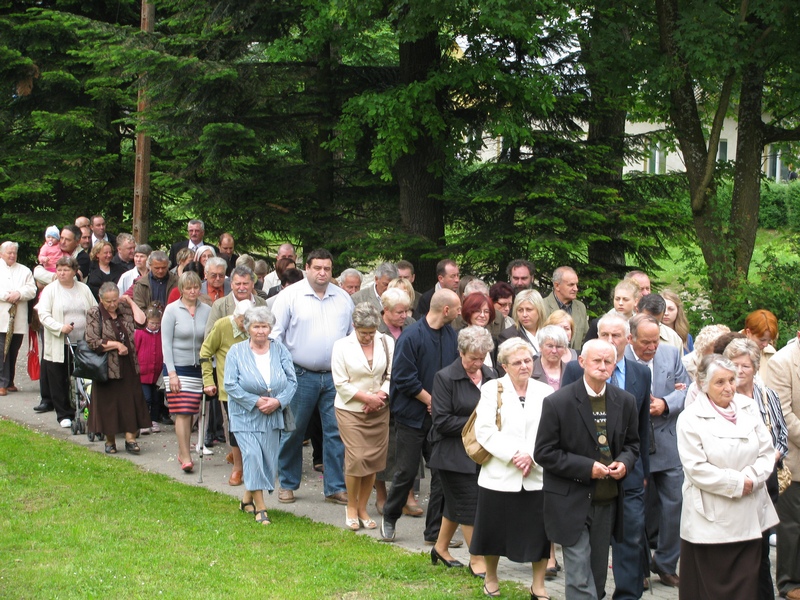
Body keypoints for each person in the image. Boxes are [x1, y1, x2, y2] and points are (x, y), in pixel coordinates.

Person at [535, 339, 640, 600]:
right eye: (596, 360)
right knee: (580, 575)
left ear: (615, 365)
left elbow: (633, 445)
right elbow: (544, 452)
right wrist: (586, 468)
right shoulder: (558, 402)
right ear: (582, 362)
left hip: (607, 500)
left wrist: (624, 463)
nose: (602, 366)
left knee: (598, 576)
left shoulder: (625, 401)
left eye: (608, 362)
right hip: (570, 500)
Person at [563, 313, 652, 599]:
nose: (610, 341)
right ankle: (593, 592)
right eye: (604, 335)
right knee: (593, 545)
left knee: (630, 538)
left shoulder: (641, 373)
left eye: (616, 336)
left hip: (629, 470)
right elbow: (568, 424)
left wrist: (642, 471)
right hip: (589, 476)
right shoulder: (577, 371)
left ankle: (627, 594)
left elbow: (641, 430)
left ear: (628, 339)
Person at [677, 354, 778, 599]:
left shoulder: (748, 407)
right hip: (711, 520)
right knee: (710, 588)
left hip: (749, 515)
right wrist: (736, 483)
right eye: (720, 382)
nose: (729, 387)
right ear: (703, 384)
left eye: (732, 380)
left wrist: (752, 479)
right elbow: (696, 468)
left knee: (747, 587)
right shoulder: (690, 418)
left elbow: (767, 451)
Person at [471, 337, 553, 598]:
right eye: (517, 362)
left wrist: (530, 455)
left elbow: (550, 431)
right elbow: (484, 431)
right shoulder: (491, 389)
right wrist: (514, 454)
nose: (524, 366)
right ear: (504, 366)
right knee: (493, 531)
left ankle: (538, 584)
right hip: (499, 474)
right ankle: (492, 577)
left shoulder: (545, 391)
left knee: (540, 534)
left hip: (535, 474)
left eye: (528, 360)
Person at [271, 248, 354, 505]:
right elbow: (275, 336)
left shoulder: (342, 298)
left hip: (334, 377)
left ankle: (335, 487)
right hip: (299, 374)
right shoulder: (290, 296)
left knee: (335, 432)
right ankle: (287, 483)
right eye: (317, 268)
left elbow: (352, 337)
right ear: (307, 267)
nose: (322, 273)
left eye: (327, 269)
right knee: (293, 431)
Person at [380, 288, 461, 543]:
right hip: (412, 417)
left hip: (439, 419)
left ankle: (434, 531)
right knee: (405, 472)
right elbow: (403, 378)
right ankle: (389, 517)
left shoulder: (451, 336)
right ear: (446, 310)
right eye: (457, 308)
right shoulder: (411, 336)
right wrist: (430, 400)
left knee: (441, 473)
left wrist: (441, 404)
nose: (460, 313)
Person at [625, 313, 690, 588]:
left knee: (675, 505)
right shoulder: (621, 358)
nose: (651, 348)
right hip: (635, 445)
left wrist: (665, 402)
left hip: (667, 441)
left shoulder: (671, 353)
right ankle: (638, 569)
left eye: (655, 341)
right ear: (631, 339)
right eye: (645, 343)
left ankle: (665, 563)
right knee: (635, 510)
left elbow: (687, 390)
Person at [724, 338, 788, 600]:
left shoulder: (767, 394)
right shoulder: (721, 398)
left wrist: (771, 458)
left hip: (766, 478)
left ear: (755, 368)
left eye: (745, 366)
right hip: (736, 479)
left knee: (761, 546)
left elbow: (781, 433)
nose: (739, 371)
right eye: (734, 365)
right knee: (736, 548)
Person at [429, 326, 495, 577]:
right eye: (472, 358)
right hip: (452, 455)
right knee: (469, 504)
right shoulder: (445, 378)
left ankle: (440, 547)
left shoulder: (491, 375)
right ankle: (476, 559)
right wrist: (479, 423)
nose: (477, 363)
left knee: (455, 504)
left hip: (482, 453)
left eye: (482, 358)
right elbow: (442, 421)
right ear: (460, 352)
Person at [224, 306, 297, 526]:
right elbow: (230, 384)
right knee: (253, 456)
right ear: (248, 328)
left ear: (270, 328)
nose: (260, 331)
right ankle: (261, 507)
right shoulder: (236, 352)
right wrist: (255, 401)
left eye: (264, 326)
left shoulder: (280, 350)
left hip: (272, 415)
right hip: (245, 416)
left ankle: (247, 498)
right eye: (256, 326)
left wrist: (278, 401)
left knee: (267, 462)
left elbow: (292, 381)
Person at [331, 302, 394, 531]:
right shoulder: (341, 346)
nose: (368, 337)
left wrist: (379, 396)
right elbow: (340, 382)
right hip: (351, 409)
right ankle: (351, 506)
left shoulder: (386, 341)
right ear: (354, 326)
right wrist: (366, 399)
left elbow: (390, 374)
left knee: (373, 461)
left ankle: (363, 508)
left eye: (371, 333)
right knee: (357, 458)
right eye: (363, 333)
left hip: (379, 408)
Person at [85, 282, 150, 454]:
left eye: (115, 300)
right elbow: (92, 341)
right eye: (109, 301)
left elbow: (142, 322)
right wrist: (115, 345)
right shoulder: (94, 313)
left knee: (130, 401)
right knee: (109, 405)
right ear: (101, 299)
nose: (113, 304)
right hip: (107, 367)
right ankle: (110, 440)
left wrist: (129, 301)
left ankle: (131, 439)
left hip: (128, 364)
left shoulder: (124, 308)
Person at [35, 256, 97, 423]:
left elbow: (94, 309)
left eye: (66, 270)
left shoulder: (83, 288)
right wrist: (59, 327)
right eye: (59, 270)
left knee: (84, 377)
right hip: (60, 340)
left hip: (83, 341)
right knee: (59, 377)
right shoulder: (50, 290)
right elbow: (44, 314)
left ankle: (87, 408)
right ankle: (64, 414)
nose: (62, 273)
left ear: (74, 271)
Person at [161, 271, 212, 473]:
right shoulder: (171, 310)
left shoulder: (207, 310)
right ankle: (185, 455)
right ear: (181, 289)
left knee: (193, 410)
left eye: (196, 287)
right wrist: (171, 373)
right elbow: (166, 343)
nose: (192, 291)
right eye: (188, 287)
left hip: (198, 367)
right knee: (182, 411)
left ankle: (184, 450)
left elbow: (209, 339)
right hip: (177, 367)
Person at [201, 299, 253, 486]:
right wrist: (208, 380)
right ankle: (238, 468)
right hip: (229, 389)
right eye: (243, 322)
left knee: (253, 427)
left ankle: (245, 460)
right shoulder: (222, 326)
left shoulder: (255, 328)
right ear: (236, 317)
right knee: (236, 427)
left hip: (254, 388)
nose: (247, 327)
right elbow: (205, 352)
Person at [764, 330, 800, 599]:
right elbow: (783, 414)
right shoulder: (783, 362)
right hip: (795, 459)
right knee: (791, 526)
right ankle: (789, 583)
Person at [0, 242, 36, 396]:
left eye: (14, 253)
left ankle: (9, 381)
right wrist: (7, 296)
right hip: (1, 317)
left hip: (18, 318)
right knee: (2, 351)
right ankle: (2, 383)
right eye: (9, 253)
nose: (12, 255)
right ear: (1, 254)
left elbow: (32, 289)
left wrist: (19, 294)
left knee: (13, 350)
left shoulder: (24, 270)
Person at [134, 305, 164, 434]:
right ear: (146, 321)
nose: (155, 326)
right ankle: (144, 421)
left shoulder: (162, 334)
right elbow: (135, 350)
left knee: (157, 398)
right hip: (143, 373)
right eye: (152, 323)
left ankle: (154, 420)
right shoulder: (140, 333)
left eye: (157, 323)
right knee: (146, 398)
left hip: (157, 372)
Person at [543, 266, 588, 351]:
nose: (576, 289)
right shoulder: (542, 306)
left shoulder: (581, 307)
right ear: (557, 286)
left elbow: (585, 339)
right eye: (571, 285)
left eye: (576, 284)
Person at [497, 289, 546, 357]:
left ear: (539, 310)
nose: (524, 315)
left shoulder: (550, 332)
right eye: (520, 310)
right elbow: (503, 365)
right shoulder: (508, 336)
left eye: (529, 310)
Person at [743, 309, 779, 380]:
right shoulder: (730, 351)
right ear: (748, 332)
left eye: (769, 340)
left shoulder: (770, 353)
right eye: (762, 340)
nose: (766, 345)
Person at [532, 325, 570, 391]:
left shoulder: (571, 372)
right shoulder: (530, 371)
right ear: (540, 347)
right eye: (550, 346)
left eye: (559, 346)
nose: (554, 351)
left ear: (565, 348)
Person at [661, 289, 693, 354]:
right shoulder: (653, 335)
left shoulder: (687, 337)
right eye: (662, 309)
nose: (666, 313)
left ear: (678, 311)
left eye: (671, 309)